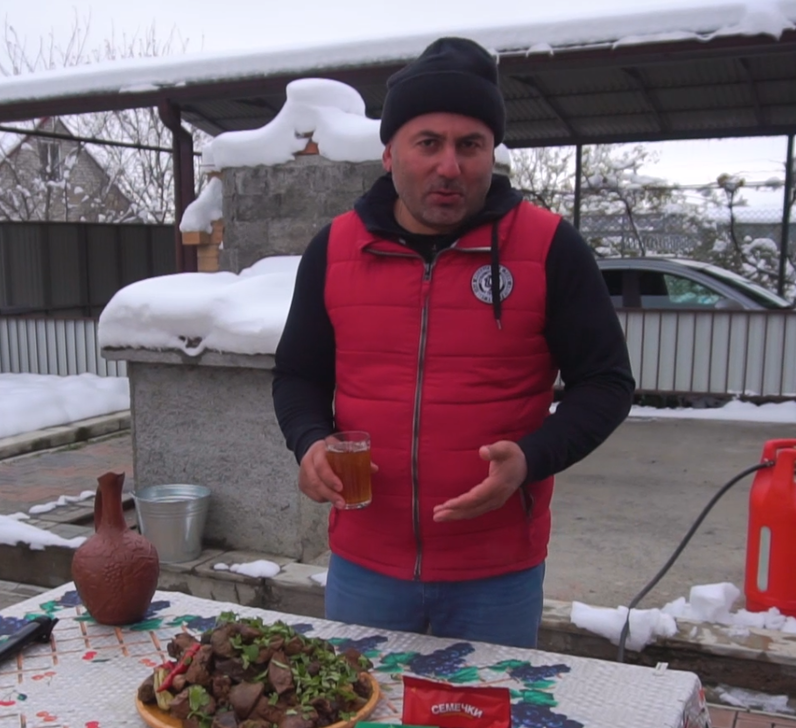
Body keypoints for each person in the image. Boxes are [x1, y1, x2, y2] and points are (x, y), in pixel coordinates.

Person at [272, 36, 634, 648]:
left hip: (496, 572)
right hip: (365, 565)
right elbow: (297, 374)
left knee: (484, 701)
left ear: (492, 152)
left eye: (470, 145)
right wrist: (309, 442)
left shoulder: (548, 247)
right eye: (428, 143)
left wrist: (531, 458)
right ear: (390, 153)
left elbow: (607, 383)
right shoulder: (334, 250)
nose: (450, 166)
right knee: (363, 698)